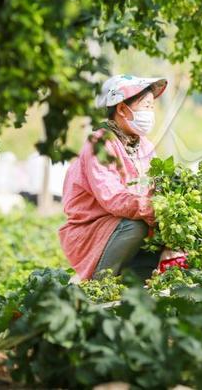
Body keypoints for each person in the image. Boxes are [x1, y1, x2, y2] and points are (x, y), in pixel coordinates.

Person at [59, 74, 168, 281]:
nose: (150, 113)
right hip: (94, 230)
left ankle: (136, 284)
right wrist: (156, 209)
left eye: (151, 107)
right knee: (138, 226)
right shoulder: (99, 145)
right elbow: (114, 199)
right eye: (145, 106)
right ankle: (100, 283)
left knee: (162, 229)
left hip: (124, 227)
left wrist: (169, 207)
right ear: (121, 109)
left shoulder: (144, 145)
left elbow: (157, 184)